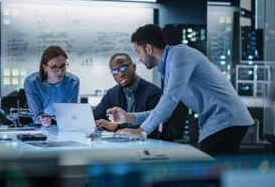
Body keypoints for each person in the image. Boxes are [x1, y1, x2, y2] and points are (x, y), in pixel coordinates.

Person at [107, 24, 254, 155]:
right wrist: (129, 118)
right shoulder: (168, 68)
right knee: (211, 174)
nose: (139, 59)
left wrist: (141, 131)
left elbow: (170, 99)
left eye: (138, 52)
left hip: (226, 120)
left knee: (210, 175)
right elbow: (163, 111)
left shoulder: (180, 55)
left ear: (149, 48)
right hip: (219, 122)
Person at [92, 53, 177, 140]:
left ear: (134, 67)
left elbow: (155, 130)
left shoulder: (154, 93)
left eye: (123, 68)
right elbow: (93, 117)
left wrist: (116, 127)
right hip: (124, 146)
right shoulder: (112, 94)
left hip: (151, 146)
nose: (120, 74)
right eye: (114, 72)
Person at [24, 46, 80, 127]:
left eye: (63, 66)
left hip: (64, 125)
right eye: (54, 67)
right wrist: (42, 119)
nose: (60, 72)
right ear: (44, 67)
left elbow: (70, 112)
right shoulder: (31, 83)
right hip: (41, 126)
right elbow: (37, 115)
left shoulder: (73, 82)